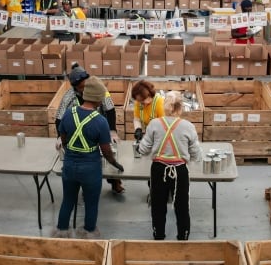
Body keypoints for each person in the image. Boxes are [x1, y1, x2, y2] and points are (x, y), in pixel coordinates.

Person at [53, 77, 124, 239]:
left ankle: (61, 234)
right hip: (90, 169)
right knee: (91, 204)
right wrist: (115, 164)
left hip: (69, 167)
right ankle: (88, 234)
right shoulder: (101, 121)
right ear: (98, 98)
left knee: (68, 201)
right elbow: (106, 151)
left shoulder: (69, 114)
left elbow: (63, 140)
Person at [136, 90, 202, 241]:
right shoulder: (188, 126)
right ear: (180, 108)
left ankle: (158, 236)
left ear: (164, 106)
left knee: (158, 206)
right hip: (180, 171)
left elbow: (143, 149)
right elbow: (196, 154)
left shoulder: (154, 124)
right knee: (182, 206)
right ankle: (183, 237)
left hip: (158, 170)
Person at [54, 64, 124, 194]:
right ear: (74, 87)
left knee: (111, 151)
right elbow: (59, 118)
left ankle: (115, 181)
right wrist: (59, 136)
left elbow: (110, 109)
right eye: (81, 88)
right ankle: (82, 182)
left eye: (86, 85)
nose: (84, 90)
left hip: (100, 125)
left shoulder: (99, 89)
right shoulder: (68, 96)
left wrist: (112, 131)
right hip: (80, 131)